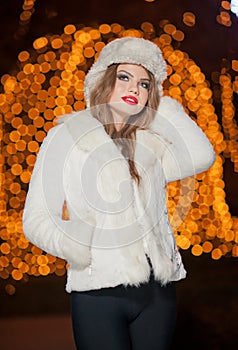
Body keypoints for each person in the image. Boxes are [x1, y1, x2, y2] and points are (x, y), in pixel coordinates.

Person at [22, 37, 216, 350]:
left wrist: (165, 108)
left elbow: (201, 155)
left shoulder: (151, 142)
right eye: (124, 77)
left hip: (157, 294)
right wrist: (76, 243)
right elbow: (36, 218)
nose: (134, 89)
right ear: (104, 80)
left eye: (144, 84)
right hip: (99, 292)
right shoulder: (66, 137)